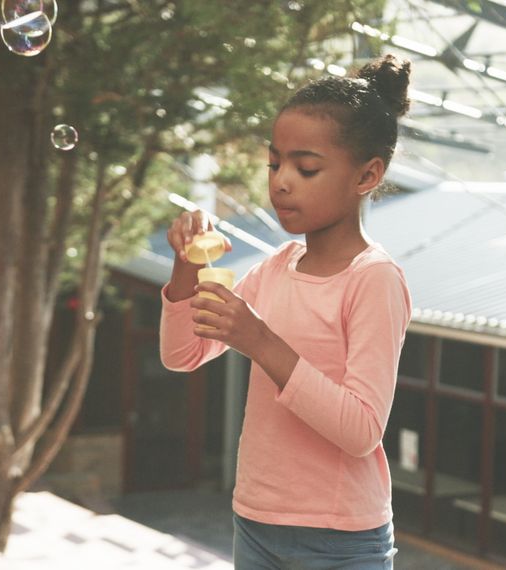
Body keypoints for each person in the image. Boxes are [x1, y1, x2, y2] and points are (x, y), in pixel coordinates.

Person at [159, 53, 414, 569]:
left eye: (306, 167)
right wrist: (186, 267)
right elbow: (183, 355)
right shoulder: (277, 267)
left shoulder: (374, 279)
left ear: (367, 175)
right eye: (274, 163)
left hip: (340, 541)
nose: (281, 181)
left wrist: (261, 342)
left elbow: (362, 430)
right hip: (255, 522)